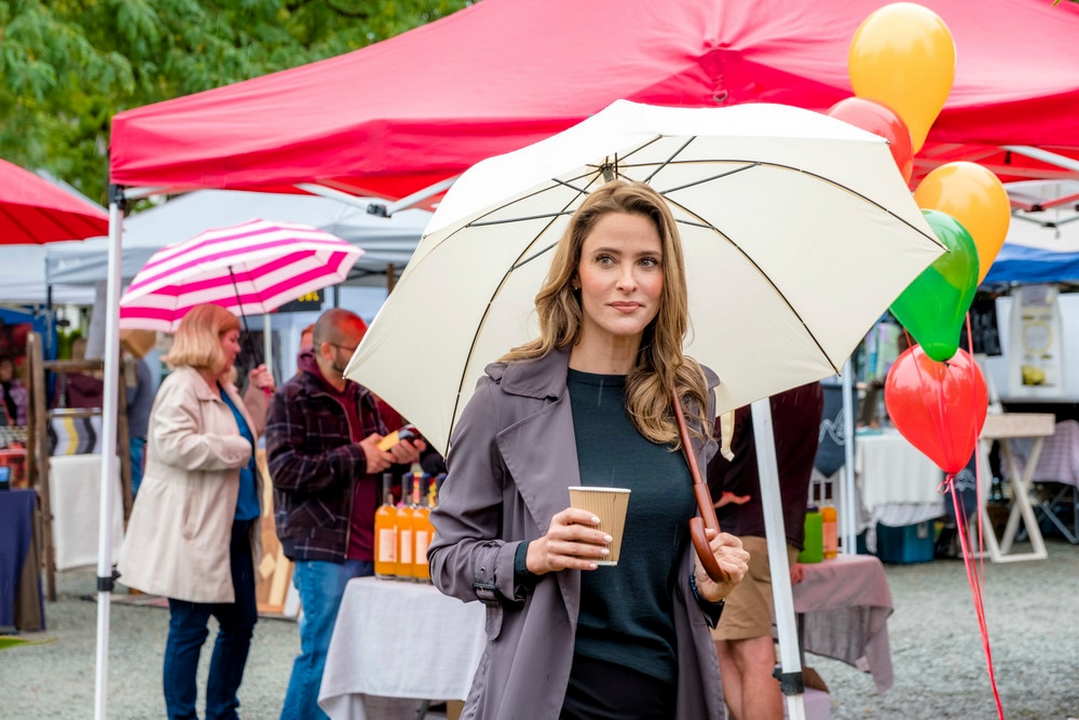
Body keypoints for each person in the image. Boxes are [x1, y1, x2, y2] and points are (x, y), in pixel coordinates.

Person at [428, 180, 750, 720]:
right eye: (606, 259)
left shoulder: (688, 398)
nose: (628, 282)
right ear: (575, 275)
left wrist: (707, 585)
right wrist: (530, 556)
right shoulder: (506, 397)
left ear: (666, 279)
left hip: (666, 693)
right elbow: (447, 558)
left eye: (647, 262)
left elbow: (664, 581)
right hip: (548, 697)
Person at [267, 308, 425, 720]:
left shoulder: (363, 395)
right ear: (325, 349)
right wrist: (358, 455)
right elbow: (285, 471)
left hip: (371, 542)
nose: (363, 356)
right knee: (323, 652)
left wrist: (399, 456)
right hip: (322, 546)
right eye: (356, 348)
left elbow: (376, 460)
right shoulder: (292, 397)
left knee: (354, 655)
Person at [118, 303, 275, 720]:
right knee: (188, 630)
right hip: (195, 530)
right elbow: (173, 446)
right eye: (232, 338)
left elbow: (250, 433)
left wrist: (258, 393)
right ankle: (183, 716)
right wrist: (234, 450)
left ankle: (223, 711)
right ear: (208, 338)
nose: (238, 348)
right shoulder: (182, 386)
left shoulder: (224, 385)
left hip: (234, 526)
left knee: (240, 625)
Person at [706, 383, 824, 720]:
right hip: (778, 525)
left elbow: (714, 450)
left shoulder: (750, 380)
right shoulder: (806, 381)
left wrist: (711, 493)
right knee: (731, 644)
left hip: (741, 528)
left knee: (749, 647)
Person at [0, 355, 28, 426]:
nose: (8, 370)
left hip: (20, 428)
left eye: (10, 366)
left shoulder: (18, 386)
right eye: (4, 367)